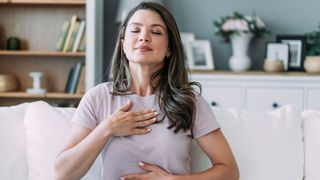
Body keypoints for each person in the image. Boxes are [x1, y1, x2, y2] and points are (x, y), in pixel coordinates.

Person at [55, 2, 239, 180]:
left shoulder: (190, 101)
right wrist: (107, 128)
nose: (144, 37)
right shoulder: (98, 98)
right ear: (123, 45)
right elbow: (62, 174)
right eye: (135, 30)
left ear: (169, 49)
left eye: (156, 32)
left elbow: (230, 171)